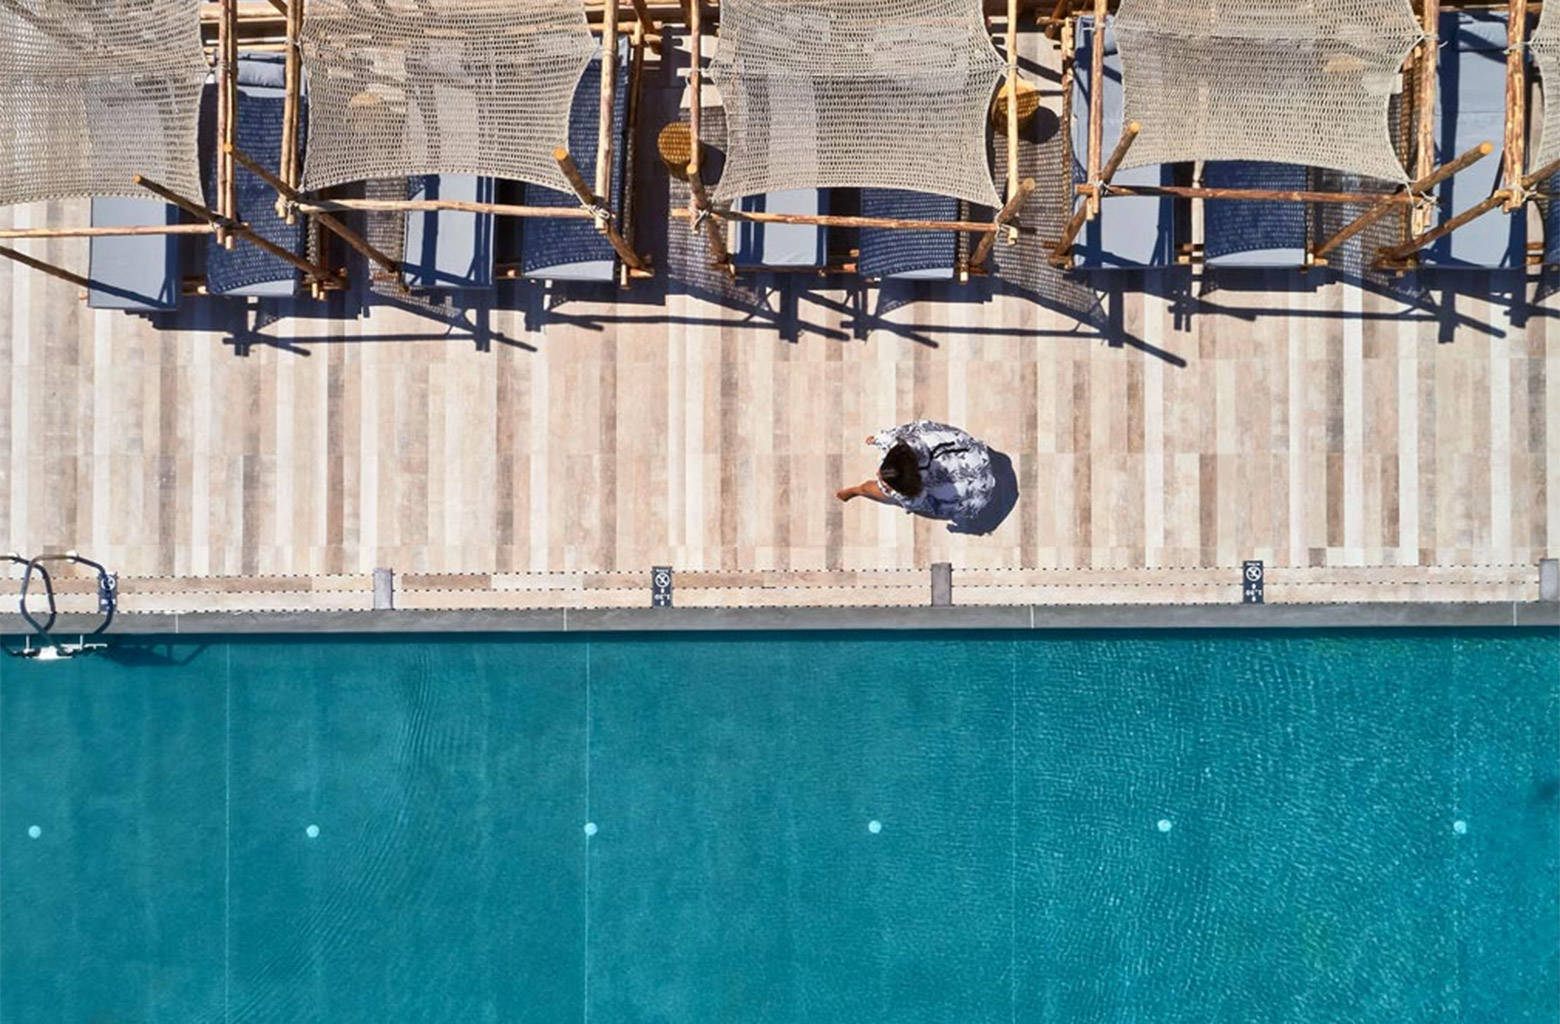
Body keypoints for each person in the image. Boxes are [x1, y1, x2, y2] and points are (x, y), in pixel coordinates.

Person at [837, 420, 996, 530]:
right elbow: (895, 441)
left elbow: (917, 502)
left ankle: (858, 490)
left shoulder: (918, 493)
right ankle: (861, 490)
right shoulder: (914, 445)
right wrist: (878, 439)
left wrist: (892, 492)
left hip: (974, 492)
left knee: (879, 491)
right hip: (974, 455)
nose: (878, 473)